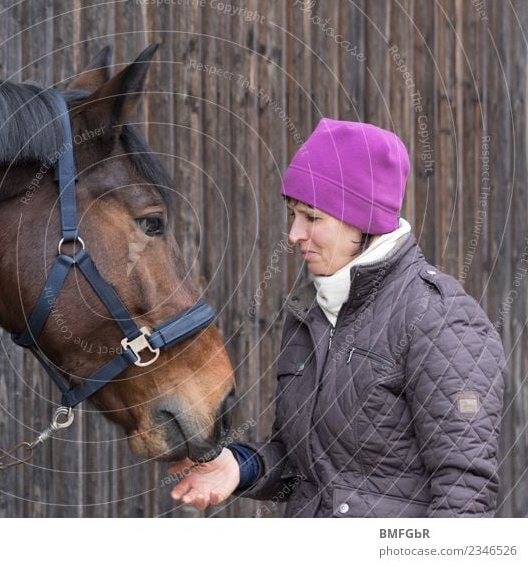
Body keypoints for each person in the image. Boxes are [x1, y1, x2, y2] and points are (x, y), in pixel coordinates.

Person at [168, 118, 507, 517]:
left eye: (312, 218)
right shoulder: (312, 309)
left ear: (364, 221)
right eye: (293, 214)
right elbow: (305, 464)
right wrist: (239, 466)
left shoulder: (441, 319)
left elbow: (465, 494)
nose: (295, 233)